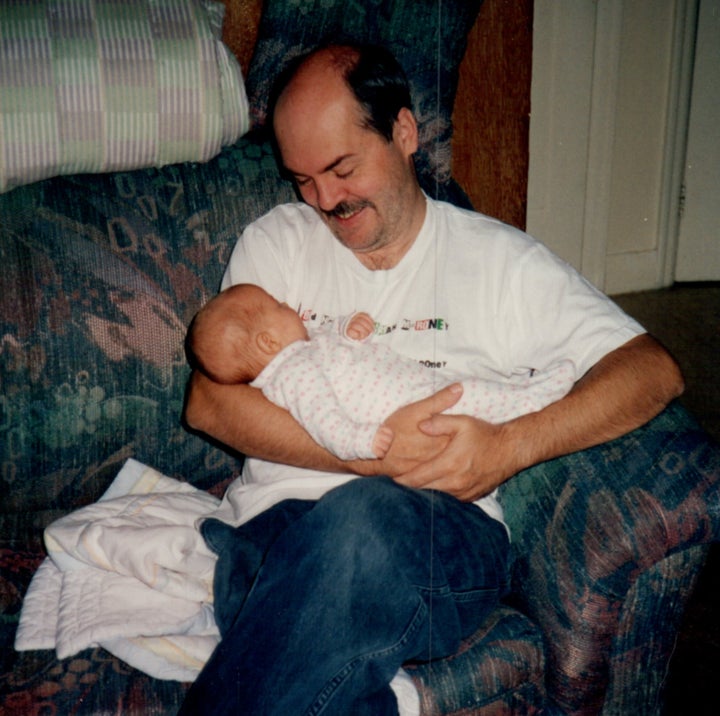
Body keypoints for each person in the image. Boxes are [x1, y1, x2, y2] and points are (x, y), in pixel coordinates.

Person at [180, 43, 684, 715]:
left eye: (340, 168)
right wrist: (373, 456)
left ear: (404, 132)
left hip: (435, 532)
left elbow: (654, 372)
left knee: (363, 523)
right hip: (273, 529)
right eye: (302, 179)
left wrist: (512, 446)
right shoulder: (277, 242)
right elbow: (210, 404)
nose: (324, 200)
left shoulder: (501, 263)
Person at [187, 282, 575, 460]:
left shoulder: (301, 348)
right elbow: (323, 418)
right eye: (279, 306)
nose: (289, 303)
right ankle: (533, 399)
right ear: (268, 344)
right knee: (467, 396)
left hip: (411, 386)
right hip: (399, 408)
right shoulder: (295, 374)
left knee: (465, 388)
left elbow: (328, 337)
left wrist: (347, 327)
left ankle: (513, 388)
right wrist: (358, 441)